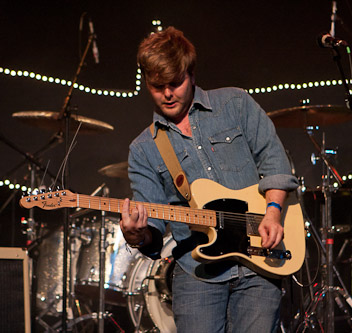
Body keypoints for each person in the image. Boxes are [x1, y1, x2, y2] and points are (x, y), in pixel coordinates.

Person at [119, 26, 298, 333]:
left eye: (175, 83)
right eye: (156, 86)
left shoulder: (235, 104)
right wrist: (137, 235)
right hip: (197, 272)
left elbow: (275, 160)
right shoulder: (143, 149)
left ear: (191, 72)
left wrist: (272, 212)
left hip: (260, 262)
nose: (167, 94)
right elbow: (153, 232)